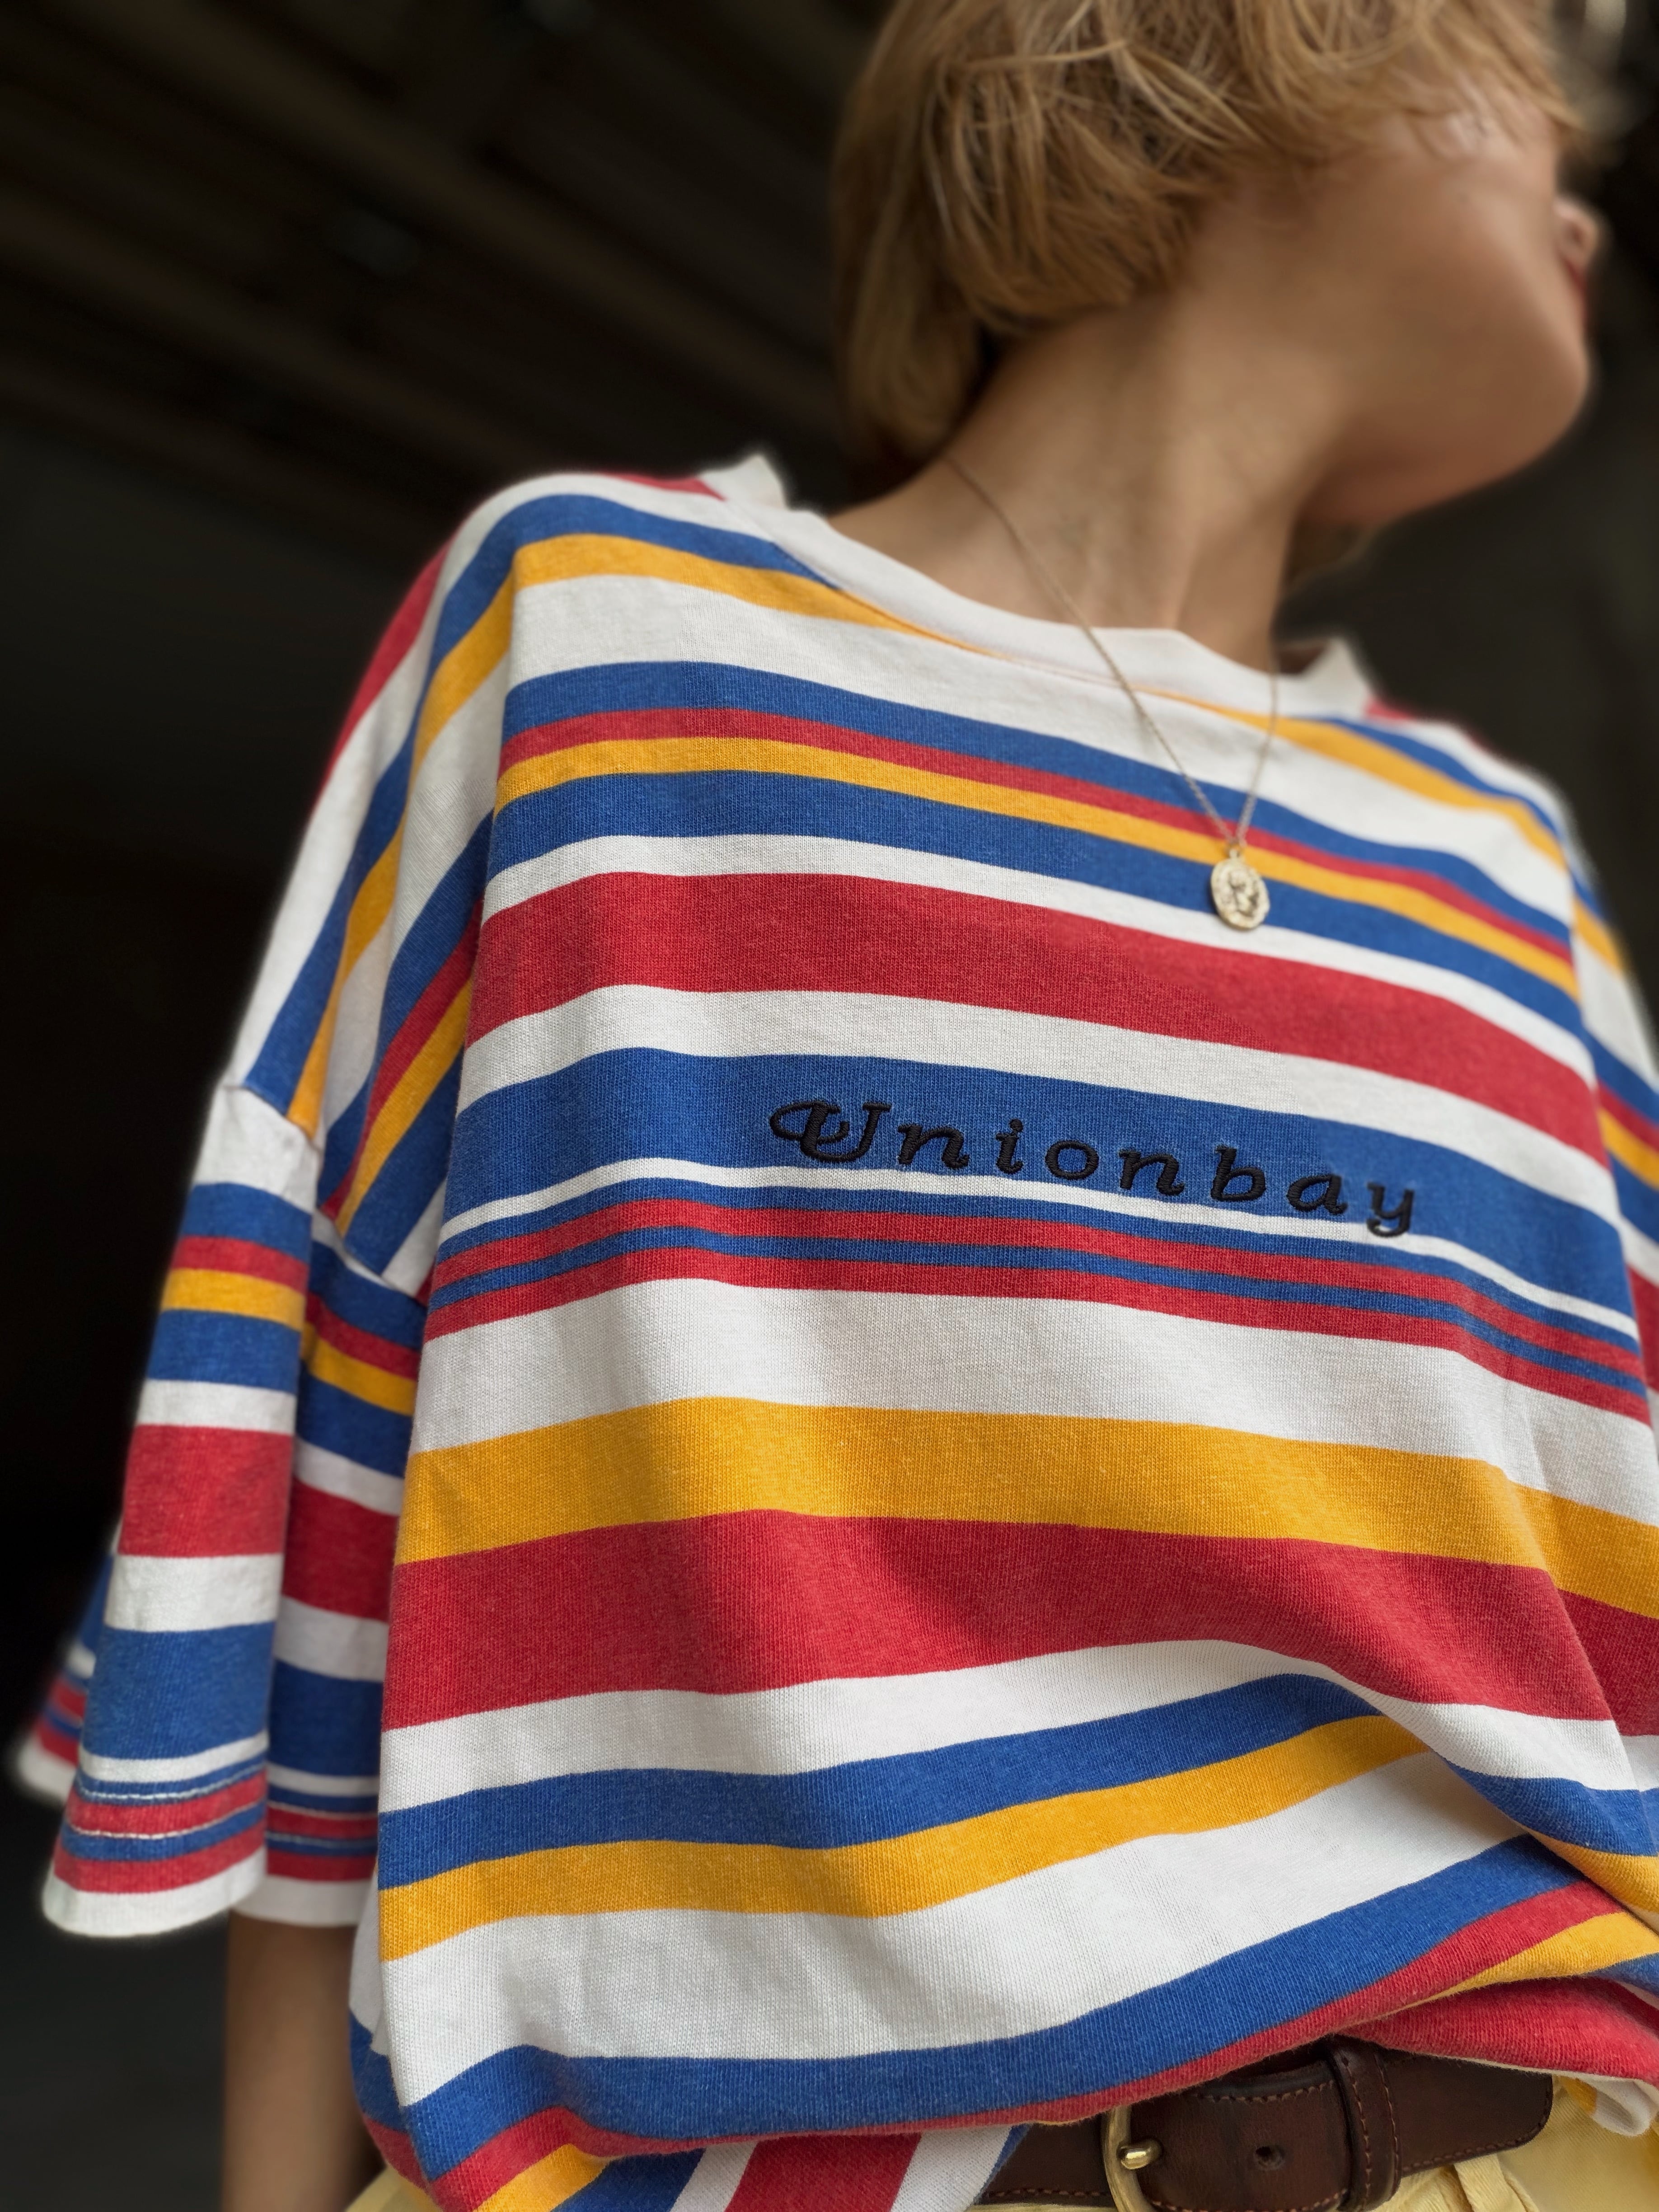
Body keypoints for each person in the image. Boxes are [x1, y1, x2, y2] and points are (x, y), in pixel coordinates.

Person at [18, 2, 1659, 2208]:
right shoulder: (605, 636)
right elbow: (317, 1475)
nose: (1584, 173)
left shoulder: (1498, 864)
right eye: (1532, 67)